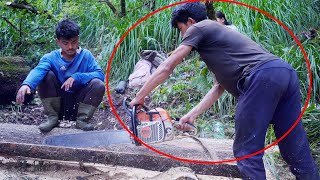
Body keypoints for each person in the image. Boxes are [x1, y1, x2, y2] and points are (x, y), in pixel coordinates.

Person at [129, 2, 319, 180]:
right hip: (283, 73)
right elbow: (219, 87)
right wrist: (192, 114)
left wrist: (139, 97)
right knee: (293, 145)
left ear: (190, 21)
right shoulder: (220, 35)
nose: (182, 35)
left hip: (261, 78)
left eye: (181, 29)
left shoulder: (198, 27)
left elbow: (167, 67)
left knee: (247, 151)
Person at [16, 19, 105, 132]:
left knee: (98, 84)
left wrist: (77, 76)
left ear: (78, 39)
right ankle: (52, 118)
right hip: (59, 101)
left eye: (74, 42)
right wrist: (27, 84)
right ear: (58, 41)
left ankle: (82, 120)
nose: (70, 47)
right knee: (46, 75)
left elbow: (100, 74)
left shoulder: (86, 56)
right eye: (65, 43)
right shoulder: (50, 57)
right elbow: (38, 70)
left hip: (79, 102)